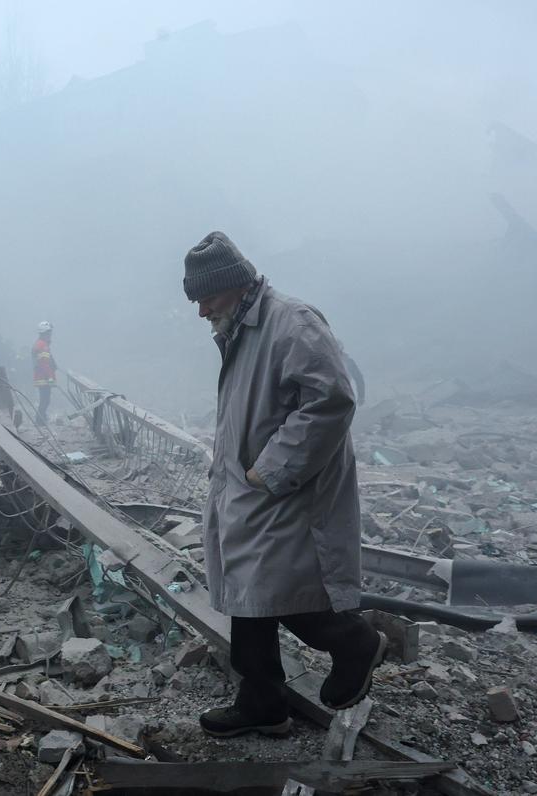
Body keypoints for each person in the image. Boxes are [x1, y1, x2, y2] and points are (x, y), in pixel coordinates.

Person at [183, 231, 384, 738]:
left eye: (206, 298)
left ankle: (353, 641)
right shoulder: (242, 327)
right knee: (247, 594)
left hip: (288, 485)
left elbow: (331, 400)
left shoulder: (292, 322)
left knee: (274, 589)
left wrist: (270, 470)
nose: (202, 310)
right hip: (252, 485)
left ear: (234, 285)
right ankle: (263, 702)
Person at [32, 321, 57, 425]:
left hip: (41, 376)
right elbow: (44, 363)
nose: (50, 335)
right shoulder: (43, 345)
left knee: (44, 399)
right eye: (49, 333)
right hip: (44, 377)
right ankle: (40, 420)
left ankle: (41, 418)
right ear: (44, 333)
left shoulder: (40, 344)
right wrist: (50, 377)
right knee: (45, 400)